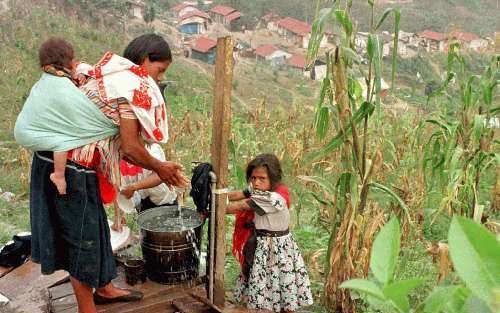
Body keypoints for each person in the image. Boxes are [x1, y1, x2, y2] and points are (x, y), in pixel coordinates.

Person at [15, 34, 188, 313]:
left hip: (65, 164)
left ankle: (105, 288)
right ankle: (87, 308)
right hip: (69, 170)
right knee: (81, 238)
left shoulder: (110, 74)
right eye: (160, 70)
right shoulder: (128, 88)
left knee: (96, 227)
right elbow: (130, 147)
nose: (158, 78)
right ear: (146, 60)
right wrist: (160, 167)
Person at [226, 154, 313, 313]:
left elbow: (236, 206)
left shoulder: (272, 197)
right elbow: (240, 194)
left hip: (275, 248)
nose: (256, 183)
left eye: (261, 178)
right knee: (274, 287)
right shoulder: (263, 188)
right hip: (265, 244)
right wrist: (218, 194)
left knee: (281, 289)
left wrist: (210, 206)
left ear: (272, 178)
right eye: (253, 178)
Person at [112, 143, 177, 232]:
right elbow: (117, 187)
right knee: (148, 240)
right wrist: (118, 217)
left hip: (164, 203)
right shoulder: (116, 157)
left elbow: (160, 175)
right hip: (142, 204)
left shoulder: (151, 149)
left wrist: (133, 187)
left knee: (169, 240)